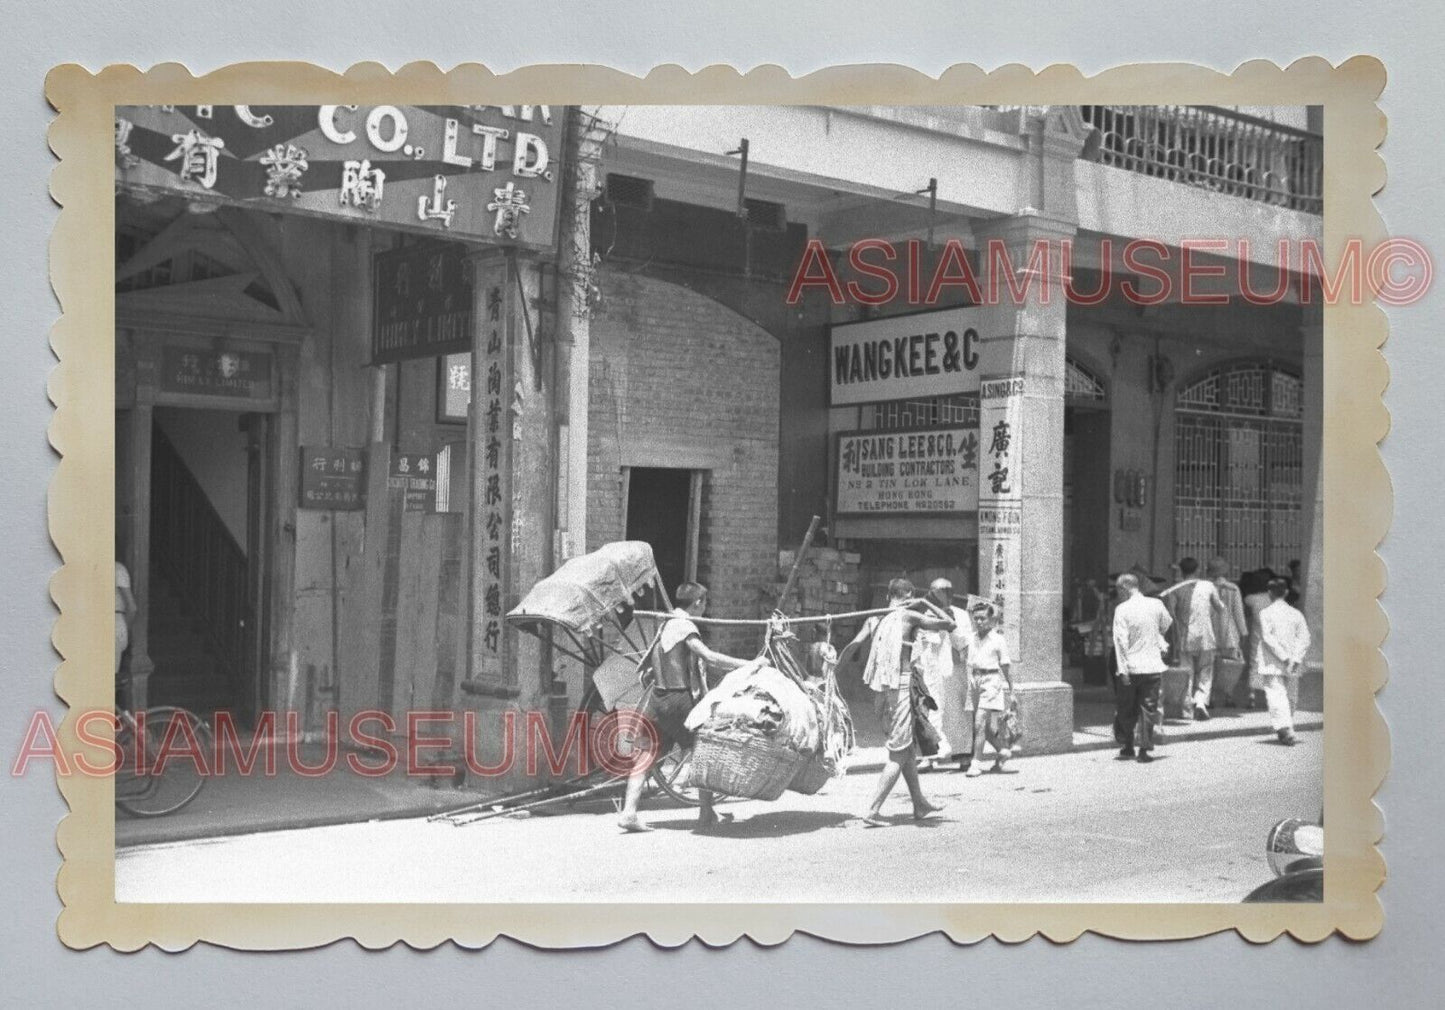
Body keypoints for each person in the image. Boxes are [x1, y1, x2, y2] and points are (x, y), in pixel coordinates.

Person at [618, 582, 751, 833]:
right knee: (703, 750)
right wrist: (747, 663)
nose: (705, 608)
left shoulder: (665, 624)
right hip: (679, 700)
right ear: (698, 603)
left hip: (657, 699)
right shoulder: (685, 626)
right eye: (705, 603)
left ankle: (629, 812)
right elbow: (708, 656)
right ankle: (705, 813)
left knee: (646, 756)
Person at [855, 579, 957, 827]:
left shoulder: (875, 618)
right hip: (899, 688)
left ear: (889, 595)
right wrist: (924, 602)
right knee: (899, 751)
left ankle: (919, 803)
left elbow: (854, 646)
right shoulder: (909, 616)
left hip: (881, 690)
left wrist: (835, 668)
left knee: (907, 747)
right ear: (909, 594)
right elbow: (949, 623)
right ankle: (872, 809)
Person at [911, 578, 977, 772]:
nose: (939, 595)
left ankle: (963, 755)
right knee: (931, 712)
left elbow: (966, 643)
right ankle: (929, 757)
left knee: (959, 713)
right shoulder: (923, 614)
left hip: (956, 671)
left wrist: (951, 623)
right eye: (935, 590)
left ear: (950, 593)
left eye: (943, 591)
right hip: (931, 670)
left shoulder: (962, 615)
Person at [1111, 573, 1173, 763]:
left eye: (1118, 590)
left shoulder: (1122, 609)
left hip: (1131, 667)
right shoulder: (1156, 604)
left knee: (1126, 707)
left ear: (1124, 588)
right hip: (1153, 667)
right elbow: (1167, 622)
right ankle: (1144, 751)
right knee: (1148, 708)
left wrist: (1122, 670)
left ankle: (1128, 746)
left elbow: (1120, 642)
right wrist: (1155, 637)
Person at [1161, 557, 1226, 721]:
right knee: (1205, 670)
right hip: (1206, 637)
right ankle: (1201, 703)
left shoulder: (1175, 590)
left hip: (1185, 638)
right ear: (1197, 570)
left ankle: (1187, 710)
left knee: (1187, 673)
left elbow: (1170, 616)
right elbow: (1220, 608)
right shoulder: (1209, 586)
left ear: (1181, 571)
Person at [1255, 577, 1312, 745]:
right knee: (1291, 696)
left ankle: (1285, 728)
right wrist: (1295, 658)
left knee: (1276, 695)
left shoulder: (1266, 613)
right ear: (1286, 592)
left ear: (1269, 593)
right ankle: (1286, 727)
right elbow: (1305, 638)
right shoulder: (1296, 614)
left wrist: (1284, 657)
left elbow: (1268, 638)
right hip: (1293, 663)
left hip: (1273, 661)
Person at [964, 603, 1015, 776]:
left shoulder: (998, 640)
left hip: (992, 681)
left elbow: (1006, 666)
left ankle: (976, 763)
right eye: (975, 618)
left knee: (979, 722)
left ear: (991, 620)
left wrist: (1012, 691)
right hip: (975, 680)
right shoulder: (971, 638)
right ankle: (1003, 750)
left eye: (982, 618)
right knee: (982, 727)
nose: (978, 621)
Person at [1206, 557, 1248, 708]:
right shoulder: (1233, 588)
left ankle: (1209, 698)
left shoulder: (1205, 587)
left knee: (1210, 665)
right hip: (1229, 632)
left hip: (1210, 631)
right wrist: (1243, 632)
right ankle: (1228, 696)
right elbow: (1238, 613)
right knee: (1231, 665)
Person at [1241, 568, 1275, 709]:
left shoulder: (1250, 599)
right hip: (1273, 637)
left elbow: (1247, 615)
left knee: (1255, 664)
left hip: (1257, 635)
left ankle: (1252, 696)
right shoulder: (1274, 598)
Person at [115, 560, 137, 678]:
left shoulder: (117, 569)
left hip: (115, 620)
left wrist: (126, 628)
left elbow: (132, 607)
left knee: (110, 675)